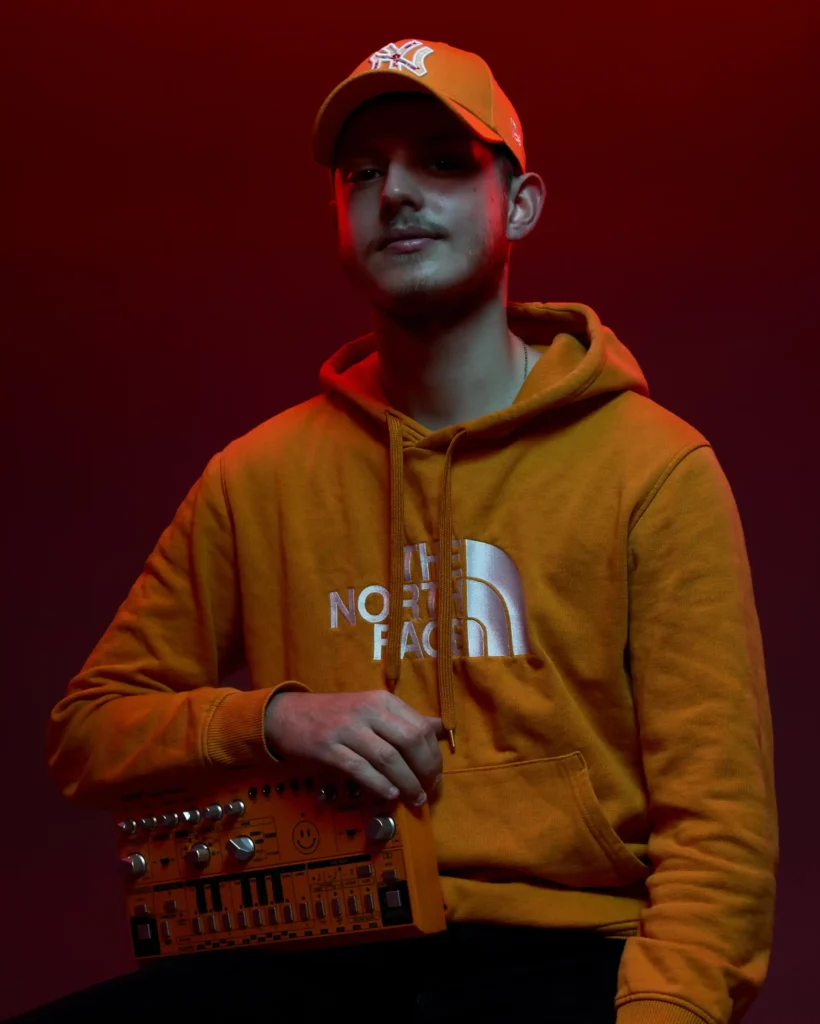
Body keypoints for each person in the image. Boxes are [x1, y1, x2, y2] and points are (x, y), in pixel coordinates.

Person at [39, 38, 776, 1024]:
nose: (395, 191)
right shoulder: (253, 478)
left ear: (519, 204)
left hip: (562, 955)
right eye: (363, 172)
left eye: (440, 159)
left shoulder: (653, 466)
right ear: (339, 217)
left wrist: (665, 1015)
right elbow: (89, 730)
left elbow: (719, 830)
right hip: (309, 949)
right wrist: (278, 718)